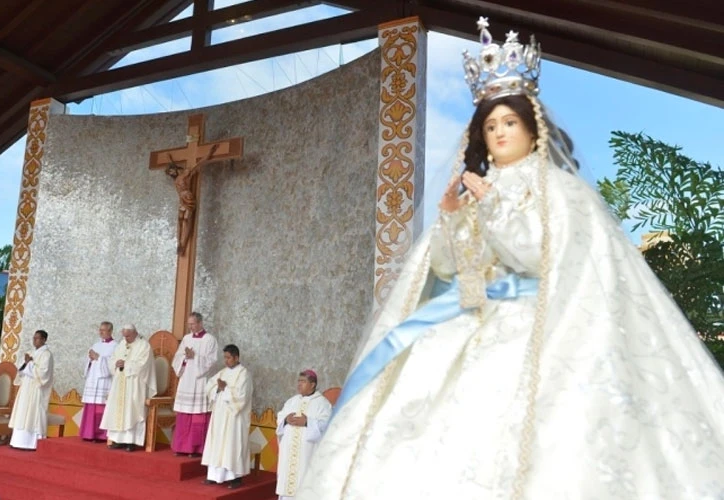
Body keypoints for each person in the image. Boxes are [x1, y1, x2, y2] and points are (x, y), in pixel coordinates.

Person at [299, 18, 724, 500]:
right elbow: (450, 269)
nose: (499, 132)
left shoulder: (561, 191)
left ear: (531, 126)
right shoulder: (477, 188)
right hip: (468, 320)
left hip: (540, 322)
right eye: (491, 125)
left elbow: (538, 255)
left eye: (509, 122)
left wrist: (494, 209)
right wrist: (453, 218)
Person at [201, 344, 252, 489]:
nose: (226, 360)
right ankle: (214, 475)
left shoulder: (244, 374)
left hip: (234, 417)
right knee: (216, 444)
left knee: (231, 445)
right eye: (225, 357)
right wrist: (217, 389)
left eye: (229, 358)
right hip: (219, 415)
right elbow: (209, 387)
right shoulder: (222, 372)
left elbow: (242, 396)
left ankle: (234, 478)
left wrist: (225, 388)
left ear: (236, 357)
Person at [275, 370, 331, 499]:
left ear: (312, 384)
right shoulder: (291, 401)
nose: (299, 384)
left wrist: (307, 422)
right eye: (299, 381)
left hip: (307, 453)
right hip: (288, 453)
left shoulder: (323, 404)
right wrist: (286, 420)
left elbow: (327, 425)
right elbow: (280, 417)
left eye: (303, 381)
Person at [100, 325, 157, 451]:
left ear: (135, 333)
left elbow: (144, 365)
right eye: (124, 336)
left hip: (134, 383)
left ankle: (131, 441)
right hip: (120, 382)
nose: (126, 338)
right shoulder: (121, 344)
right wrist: (116, 363)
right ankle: (117, 440)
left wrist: (126, 364)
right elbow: (112, 359)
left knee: (131, 411)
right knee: (117, 409)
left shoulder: (144, 345)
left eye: (128, 336)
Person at [171, 312, 218, 456]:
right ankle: (181, 447)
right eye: (189, 324)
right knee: (184, 416)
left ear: (200, 323)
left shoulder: (210, 340)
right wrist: (185, 358)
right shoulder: (186, 338)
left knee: (198, 417)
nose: (190, 327)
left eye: (192, 324)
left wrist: (195, 357)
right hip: (186, 380)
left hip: (200, 382)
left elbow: (212, 362)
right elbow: (177, 358)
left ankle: (196, 448)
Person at [9, 330, 55, 450]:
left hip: (36, 389)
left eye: (37, 338)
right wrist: (25, 364)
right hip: (26, 387)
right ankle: (18, 442)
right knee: (22, 412)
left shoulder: (46, 355)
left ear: (44, 339)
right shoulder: (31, 353)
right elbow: (21, 370)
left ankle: (31, 443)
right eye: (34, 338)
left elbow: (43, 374)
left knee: (33, 414)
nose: (34, 340)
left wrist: (29, 363)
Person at [79, 321, 117, 441]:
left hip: (104, 382)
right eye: (100, 330)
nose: (100, 332)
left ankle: (101, 435)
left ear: (110, 331)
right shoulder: (95, 345)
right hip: (93, 380)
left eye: (103, 330)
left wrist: (99, 358)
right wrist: (90, 359)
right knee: (91, 407)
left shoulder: (116, 346)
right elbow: (89, 362)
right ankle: (88, 434)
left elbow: (112, 365)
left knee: (101, 408)